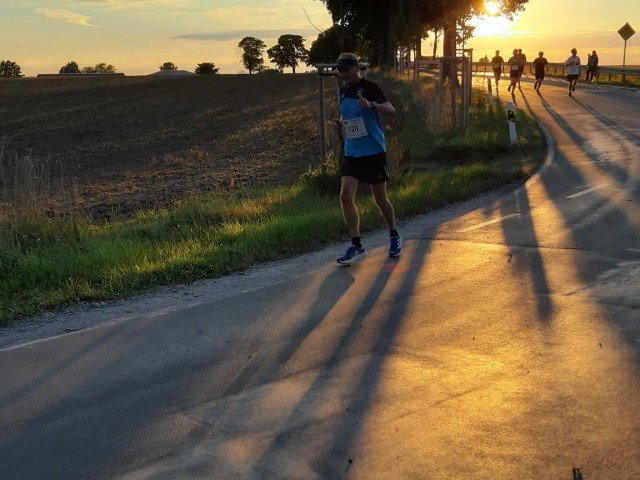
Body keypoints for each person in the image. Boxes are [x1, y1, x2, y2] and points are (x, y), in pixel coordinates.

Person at [334, 52, 401, 265]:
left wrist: (371, 105)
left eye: (347, 69)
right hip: (352, 152)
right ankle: (357, 245)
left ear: (357, 68)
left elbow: (391, 110)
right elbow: (347, 115)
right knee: (345, 196)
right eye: (340, 70)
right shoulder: (342, 92)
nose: (343, 74)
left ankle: (394, 235)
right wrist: (342, 123)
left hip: (373, 151)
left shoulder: (371, 88)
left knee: (380, 198)